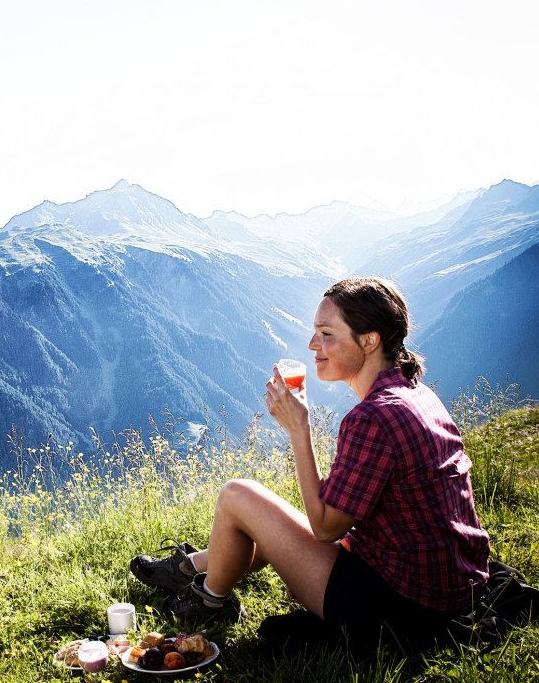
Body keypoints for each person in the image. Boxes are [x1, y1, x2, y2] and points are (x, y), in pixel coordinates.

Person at [130, 276, 490, 647]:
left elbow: (323, 528)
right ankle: (190, 568)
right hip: (453, 588)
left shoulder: (372, 419)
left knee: (237, 495)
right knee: (264, 519)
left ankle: (208, 599)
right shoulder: (417, 393)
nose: (312, 344)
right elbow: (389, 513)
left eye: (326, 334)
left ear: (369, 341)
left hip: (401, 610)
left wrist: (298, 430)